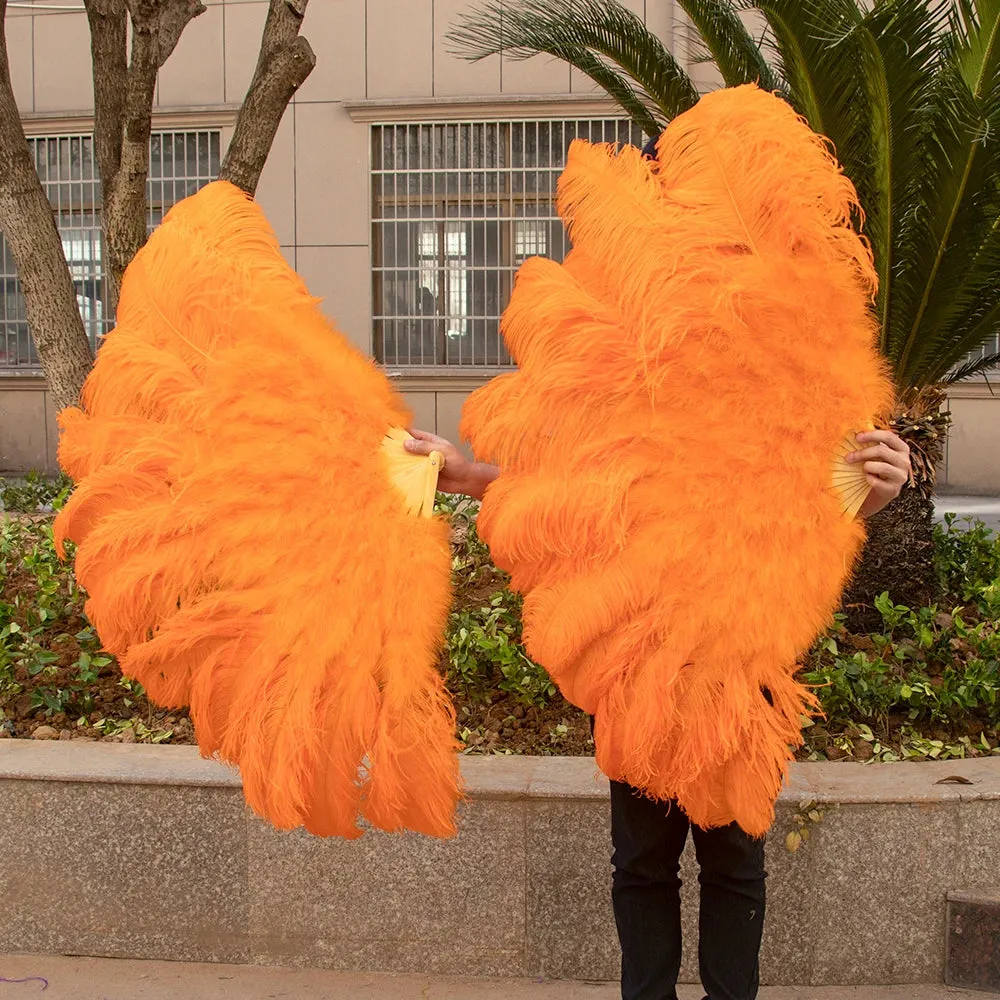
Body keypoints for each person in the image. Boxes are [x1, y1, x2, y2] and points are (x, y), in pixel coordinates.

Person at [404, 425, 911, 1000]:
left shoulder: (769, 380)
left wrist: (870, 490)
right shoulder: (635, 382)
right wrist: (468, 475)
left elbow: (806, 499)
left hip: (740, 669)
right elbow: (575, 493)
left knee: (734, 864)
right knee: (643, 863)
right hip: (635, 668)